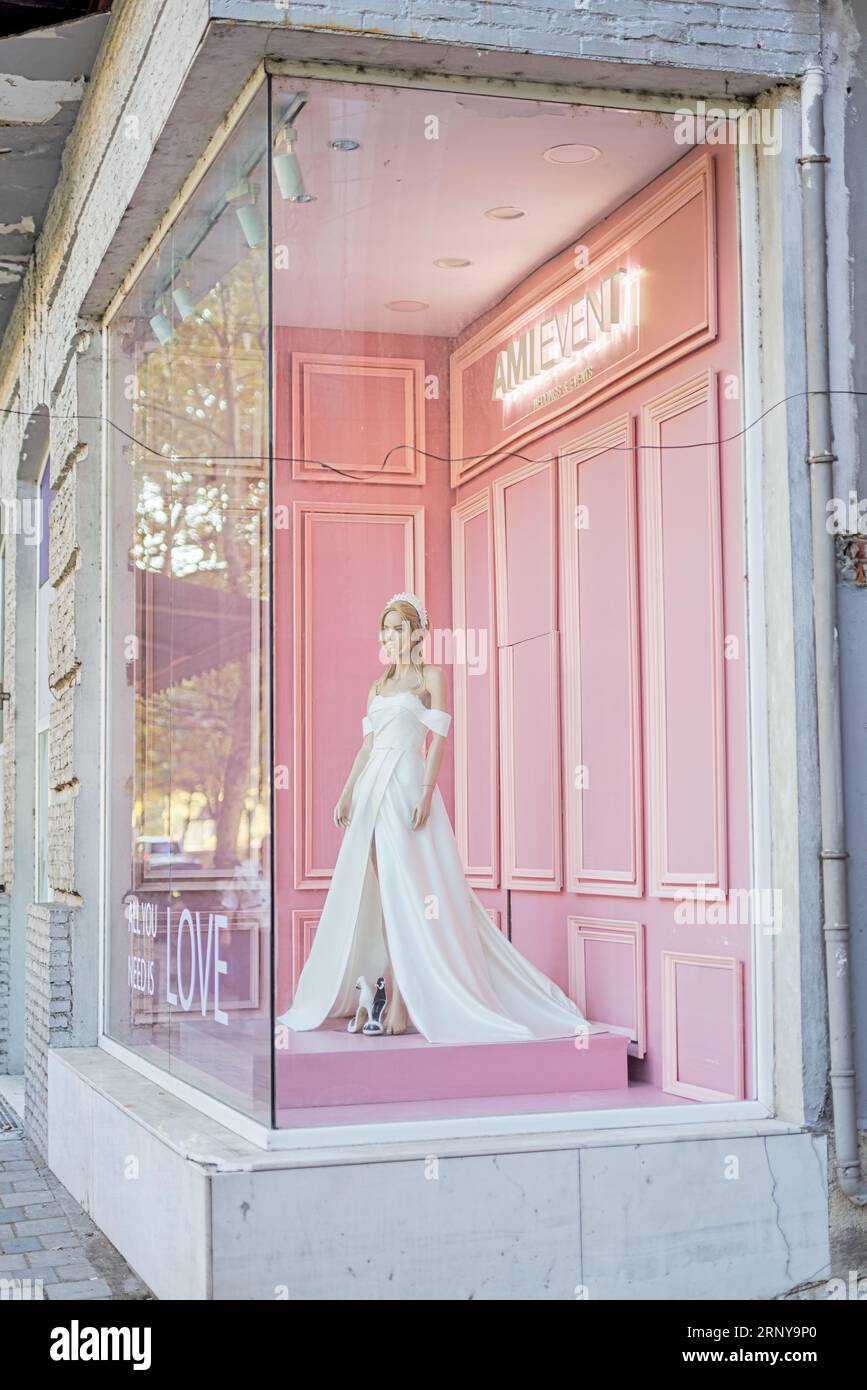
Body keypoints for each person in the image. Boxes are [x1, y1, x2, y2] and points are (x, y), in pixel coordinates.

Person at [278, 593, 604, 1044]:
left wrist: (428, 793)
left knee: (413, 892)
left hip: (409, 786)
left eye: (397, 628)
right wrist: (346, 793)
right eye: (385, 629)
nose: (389, 637)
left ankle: (405, 998)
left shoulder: (431, 677)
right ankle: (395, 992)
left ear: (415, 633)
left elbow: (438, 741)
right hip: (374, 791)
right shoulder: (376, 688)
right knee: (387, 897)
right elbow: (368, 748)